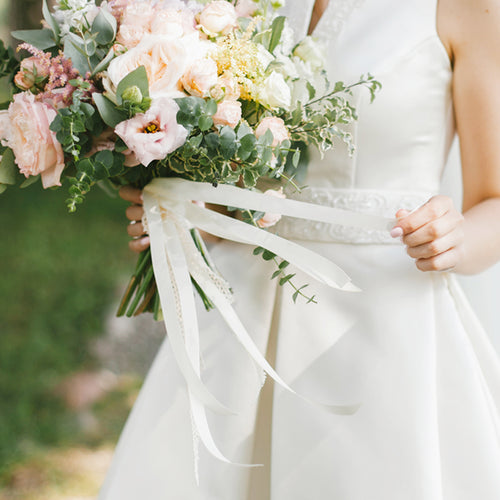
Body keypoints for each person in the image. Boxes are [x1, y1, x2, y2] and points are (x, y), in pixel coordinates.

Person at [101, 0, 500, 498]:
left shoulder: (465, 8)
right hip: (240, 310)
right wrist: (188, 213)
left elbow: (494, 203)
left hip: (385, 323)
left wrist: (455, 239)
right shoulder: (237, 8)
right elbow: (242, 185)